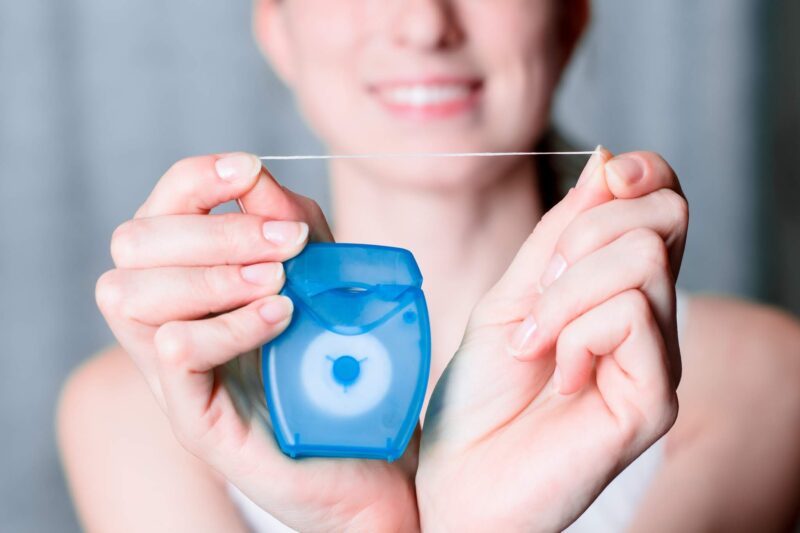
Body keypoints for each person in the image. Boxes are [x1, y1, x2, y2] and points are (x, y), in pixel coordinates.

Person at [57, 1, 800, 531]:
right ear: (275, 28)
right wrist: (367, 522)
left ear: (570, 17)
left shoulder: (764, 380)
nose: (423, 24)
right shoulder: (136, 413)